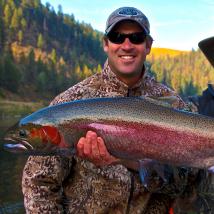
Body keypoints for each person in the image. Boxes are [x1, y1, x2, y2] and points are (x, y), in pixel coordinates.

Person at [22, 7, 192, 214]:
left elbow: (183, 185)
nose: (126, 45)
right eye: (117, 37)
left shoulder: (174, 105)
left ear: (148, 46)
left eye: (136, 38)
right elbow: (38, 184)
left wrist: (131, 161)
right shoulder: (69, 103)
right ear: (106, 44)